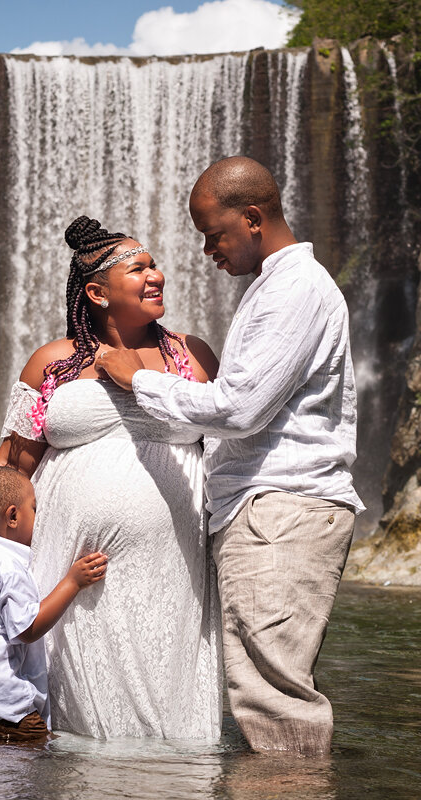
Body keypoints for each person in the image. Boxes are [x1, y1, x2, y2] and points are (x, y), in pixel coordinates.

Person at [95, 156, 363, 755]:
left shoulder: (294, 289)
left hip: (281, 512)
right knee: (264, 692)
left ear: (252, 218)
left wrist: (136, 380)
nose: (206, 250)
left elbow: (240, 409)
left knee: (273, 696)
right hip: (269, 513)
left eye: (213, 234)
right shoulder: (276, 287)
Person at [0, 216, 223, 739]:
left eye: (154, 264)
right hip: (70, 561)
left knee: (167, 675)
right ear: (96, 291)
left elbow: (228, 445)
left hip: (172, 563)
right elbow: (12, 462)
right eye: (139, 268)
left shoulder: (192, 356)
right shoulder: (54, 363)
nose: (155, 274)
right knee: (78, 693)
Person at [0, 464, 107, 742]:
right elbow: (26, 629)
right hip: (1, 708)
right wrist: (72, 582)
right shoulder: (8, 567)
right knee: (31, 764)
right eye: (35, 509)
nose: (38, 517)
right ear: (13, 516)